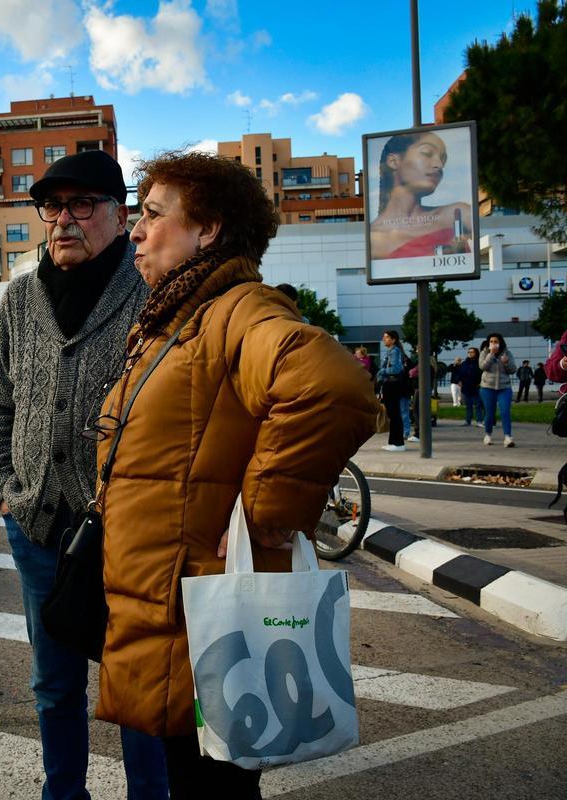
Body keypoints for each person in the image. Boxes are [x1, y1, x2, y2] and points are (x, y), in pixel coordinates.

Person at [94, 150, 376, 797]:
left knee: (211, 786)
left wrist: (265, 512)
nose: (136, 231)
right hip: (168, 611)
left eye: (154, 215)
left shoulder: (236, 309)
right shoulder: (183, 319)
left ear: (209, 229)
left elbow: (330, 387)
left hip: (203, 621)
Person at [0, 149, 169, 799]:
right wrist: (4, 488)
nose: (63, 220)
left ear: (120, 215)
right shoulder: (18, 299)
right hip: (36, 525)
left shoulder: (153, 292)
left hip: (132, 535)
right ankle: (63, 794)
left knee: (138, 685)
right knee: (54, 683)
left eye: (81, 205)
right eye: (52, 207)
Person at [370, 131, 473, 259]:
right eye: (427, 153)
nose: (439, 165)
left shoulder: (458, 214)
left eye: (443, 159)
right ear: (393, 161)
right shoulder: (373, 238)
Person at [479, 332, 517, 447]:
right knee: (490, 413)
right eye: (491, 342)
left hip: (504, 387)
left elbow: (512, 370)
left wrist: (506, 363)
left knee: (505, 411)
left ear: (500, 343)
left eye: (496, 342)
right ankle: (488, 435)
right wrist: (491, 355)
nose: (493, 344)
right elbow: (482, 366)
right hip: (487, 387)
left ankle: (508, 437)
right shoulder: (484, 353)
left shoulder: (507, 353)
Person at [377, 330, 409, 451]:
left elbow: (396, 368)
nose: (384, 339)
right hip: (389, 384)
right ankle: (393, 442)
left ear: (393, 339)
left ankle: (398, 443)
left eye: (386, 337)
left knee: (395, 413)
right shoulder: (390, 351)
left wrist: (382, 371)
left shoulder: (395, 351)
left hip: (393, 384)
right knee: (392, 414)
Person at [460, 346, 483, 426]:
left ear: (476, 353)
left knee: (478, 405)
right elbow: (461, 373)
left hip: (476, 387)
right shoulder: (464, 363)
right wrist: (460, 381)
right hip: (466, 387)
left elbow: (482, 374)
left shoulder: (479, 363)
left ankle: (479, 421)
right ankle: (468, 420)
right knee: (468, 405)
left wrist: (480, 383)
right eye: (469, 352)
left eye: (472, 352)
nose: (470, 353)